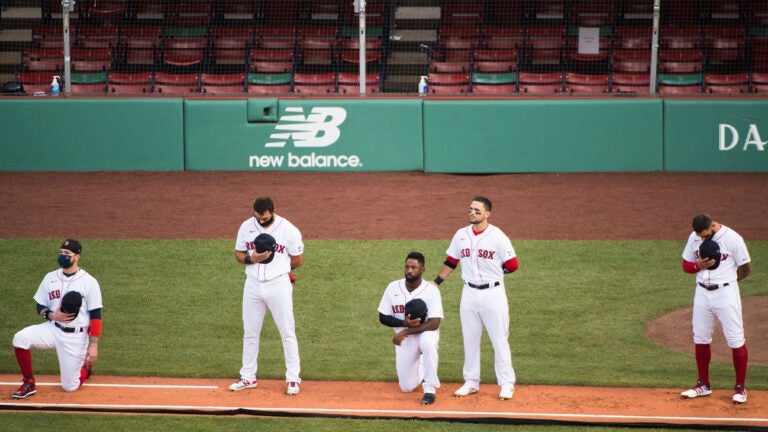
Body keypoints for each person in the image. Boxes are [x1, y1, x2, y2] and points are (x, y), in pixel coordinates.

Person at [432, 196, 518, 400]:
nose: (472, 212)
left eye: (477, 210)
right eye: (470, 209)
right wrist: (436, 282)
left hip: (493, 294)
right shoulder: (461, 235)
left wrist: (495, 273)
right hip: (469, 293)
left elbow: (512, 265)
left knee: (499, 341)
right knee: (470, 340)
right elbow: (451, 261)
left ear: (487, 213)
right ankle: (471, 382)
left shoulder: (498, 236)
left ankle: (506, 384)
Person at [230, 197, 305, 395]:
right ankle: (248, 377)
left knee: (287, 332)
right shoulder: (246, 227)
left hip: (278, 285)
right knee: (250, 332)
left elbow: (298, 259)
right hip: (252, 285)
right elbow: (238, 253)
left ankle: (292, 379)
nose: (261, 221)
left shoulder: (288, 230)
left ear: (272, 211)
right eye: (258, 216)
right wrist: (250, 259)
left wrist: (280, 270)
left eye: (264, 217)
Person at [11, 239, 102, 399]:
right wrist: (52, 315)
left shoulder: (89, 282)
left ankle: (86, 367)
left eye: (67, 254)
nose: (63, 256)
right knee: (20, 338)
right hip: (52, 328)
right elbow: (39, 306)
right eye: (61, 252)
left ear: (77, 257)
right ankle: (29, 382)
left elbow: (96, 316)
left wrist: (93, 345)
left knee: (69, 387)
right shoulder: (50, 278)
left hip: (75, 337)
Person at [680, 213, 752, 404]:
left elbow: (746, 267)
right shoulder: (694, 236)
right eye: (700, 236)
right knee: (700, 338)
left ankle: (740, 387)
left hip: (726, 294)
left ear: (713, 225)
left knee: (735, 339)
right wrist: (697, 266)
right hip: (702, 293)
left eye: (705, 235)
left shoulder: (732, 238)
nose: (702, 239)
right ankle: (703, 384)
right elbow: (685, 265)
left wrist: (728, 281)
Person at [378, 252, 444, 405]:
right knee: (406, 387)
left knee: (428, 343)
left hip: (426, 333)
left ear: (422, 270)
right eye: (407, 267)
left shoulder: (431, 290)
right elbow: (383, 316)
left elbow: (434, 323)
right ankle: (422, 360)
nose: (409, 270)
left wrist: (406, 330)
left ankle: (430, 389)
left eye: (414, 267)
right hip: (405, 340)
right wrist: (404, 323)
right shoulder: (393, 287)